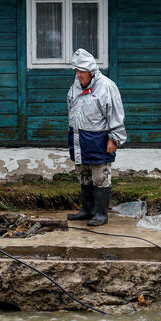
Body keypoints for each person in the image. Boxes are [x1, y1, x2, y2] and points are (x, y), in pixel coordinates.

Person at [66, 48, 127, 227]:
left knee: (100, 176)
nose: (78, 75)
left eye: (81, 72)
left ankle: (101, 214)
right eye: (76, 71)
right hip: (78, 137)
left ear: (91, 72)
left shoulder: (106, 86)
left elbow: (115, 113)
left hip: (98, 138)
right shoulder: (76, 85)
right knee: (83, 174)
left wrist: (114, 138)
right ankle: (87, 210)